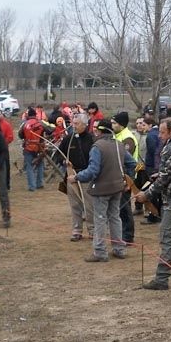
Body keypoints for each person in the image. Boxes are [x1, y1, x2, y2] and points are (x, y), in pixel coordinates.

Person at [133, 118, 171, 290]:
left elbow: (165, 178)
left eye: (162, 132)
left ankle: (161, 278)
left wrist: (146, 194)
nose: (159, 136)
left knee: (167, 240)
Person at [68, 119, 136, 262]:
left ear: (99, 131)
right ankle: (119, 249)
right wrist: (127, 180)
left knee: (100, 219)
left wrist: (77, 177)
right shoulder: (119, 145)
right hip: (117, 188)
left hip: (101, 189)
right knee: (115, 217)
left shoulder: (97, 147)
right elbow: (132, 163)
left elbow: (93, 170)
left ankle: (100, 252)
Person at [58, 113, 95, 241]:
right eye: (73, 123)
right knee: (75, 205)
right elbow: (59, 154)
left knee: (89, 205)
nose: (74, 126)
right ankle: (76, 231)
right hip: (71, 176)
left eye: (77, 124)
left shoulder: (92, 139)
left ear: (85, 125)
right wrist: (64, 161)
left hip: (87, 176)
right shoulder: (68, 139)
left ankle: (92, 230)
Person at [111, 111, 138, 245]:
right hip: (117, 176)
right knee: (118, 207)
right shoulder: (117, 135)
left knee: (124, 207)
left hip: (126, 177)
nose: (112, 125)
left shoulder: (127, 138)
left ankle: (127, 235)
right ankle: (121, 233)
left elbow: (126, 160)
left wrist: (127, 181)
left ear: (121, 124)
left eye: (114, 123)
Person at [19, 107, 46, 191]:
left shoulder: (25, 124)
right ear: (35, 115)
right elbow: (49, 130)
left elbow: (20, 135)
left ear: (28, 115)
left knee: (29, 166)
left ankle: (32, 186)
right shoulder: (40, 123)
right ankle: (40, 183)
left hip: (28, 147)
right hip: (39, 147)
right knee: (40, 164)